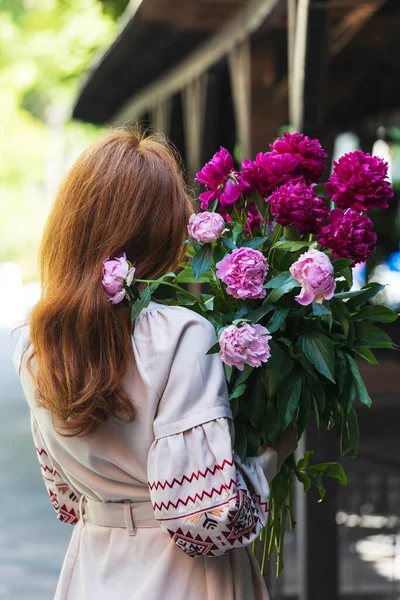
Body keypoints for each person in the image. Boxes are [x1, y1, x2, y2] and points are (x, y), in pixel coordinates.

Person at [13, 129, 298, 600]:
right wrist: (271, 456)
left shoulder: (32, 343)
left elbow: (65, 499)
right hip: (183, 577)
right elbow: (206, 520)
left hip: (94, 567)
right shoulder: (182, 335)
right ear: (162, 230)